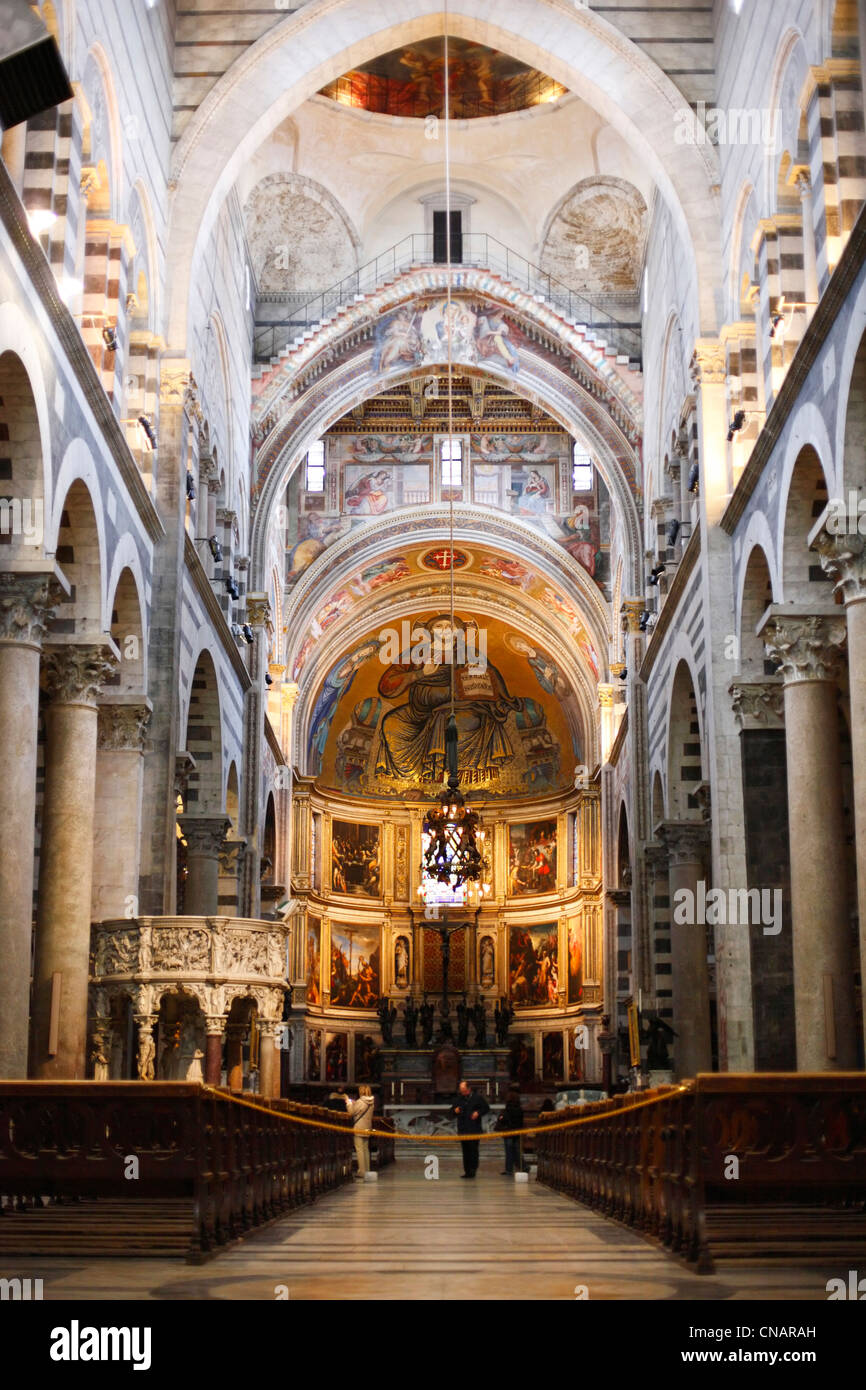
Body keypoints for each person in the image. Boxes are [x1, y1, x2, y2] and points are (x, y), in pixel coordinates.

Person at [452, 1079, 489, 1179]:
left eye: (464, 1090)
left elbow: (486, 1108)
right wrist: (455, 1110)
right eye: (461, 1090)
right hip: (463, 1129)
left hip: (474, 1128)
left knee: (473, 1150)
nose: (463, 1092)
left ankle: (473, 1170)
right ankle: (467, 1171)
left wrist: (478, 1113)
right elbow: (452, 1111)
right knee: (465, 1151)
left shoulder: (477, 1098)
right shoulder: (459, 1099)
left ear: (469, 1089)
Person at [345, 1084, 375, 1178]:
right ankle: (367, 1170)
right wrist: (355, 1103)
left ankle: (361, 1171)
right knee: (366, 1149)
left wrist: (349, 1103)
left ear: (361, 1091)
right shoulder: (371, 1102)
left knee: (359, 1150)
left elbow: (351, 1112)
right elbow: (360, 1109)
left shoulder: (360, 1101)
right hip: (367, 1127)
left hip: (359, 1127)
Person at [499, 1084, 524, 1175]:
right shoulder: (519, 1109)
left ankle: (509, 1169)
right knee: (516, 1151)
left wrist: (501, 1118)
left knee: (509, 1151)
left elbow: (504, 1119)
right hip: (516, 1132)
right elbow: (520, 1121)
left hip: (509, 1132)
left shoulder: (508, 1109)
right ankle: (522, 1167)